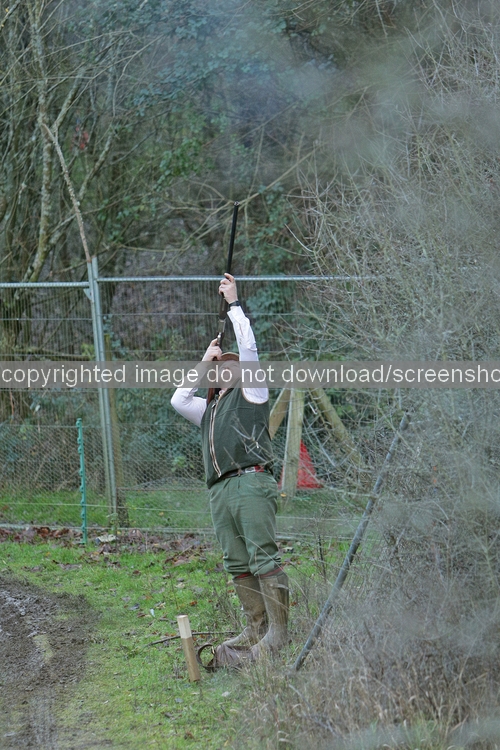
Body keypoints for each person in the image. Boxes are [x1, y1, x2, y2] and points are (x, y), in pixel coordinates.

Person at [171, 273, 289, 659]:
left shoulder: (252, 391)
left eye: (228, 364)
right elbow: (178, 399)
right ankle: (256, 629)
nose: (225, 368)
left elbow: (249, 346)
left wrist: (234, 304)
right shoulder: (207, 409)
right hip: (220, 491)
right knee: (237, 562)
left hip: (251, 482)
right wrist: (203, 360)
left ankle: (279, 635)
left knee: (263, 557)